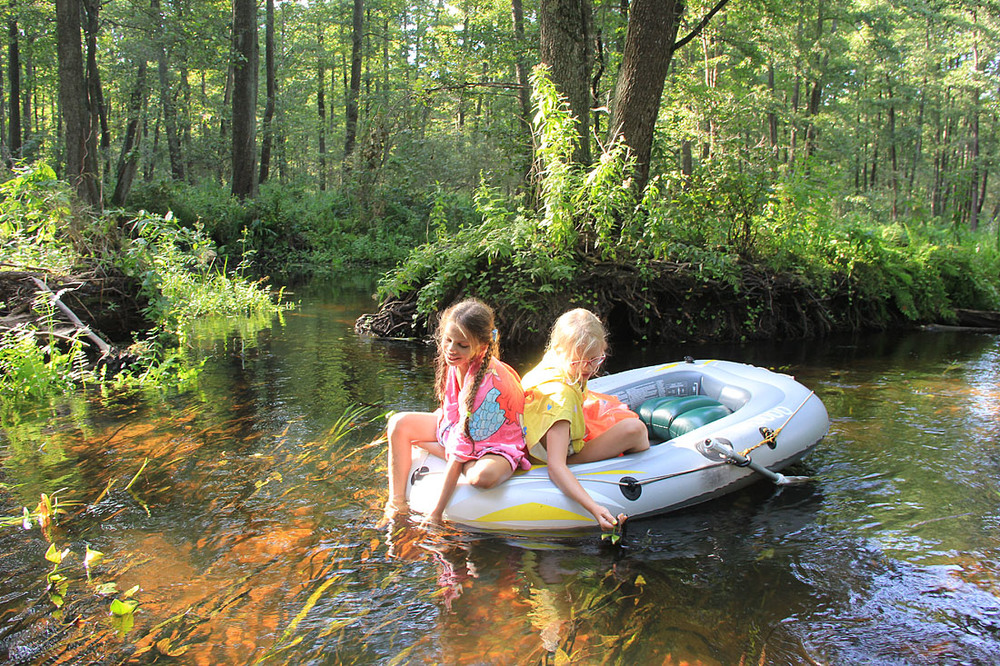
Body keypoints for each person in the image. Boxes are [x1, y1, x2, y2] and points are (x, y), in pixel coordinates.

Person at [385, 298, 529, 522]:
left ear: (481, 346)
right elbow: (451, 411)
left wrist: (436, 514)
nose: (451, 350)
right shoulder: (455, 361)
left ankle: (447, 452)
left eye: (462, 345)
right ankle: (396, 502)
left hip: (497, 440)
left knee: (480, 477)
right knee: (398, 424)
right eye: (448, 340)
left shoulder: (486, 382)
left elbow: (461, 446)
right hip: (461, 427)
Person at [522, 308, 649, 530]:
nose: (587, 368)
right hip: (555, 455)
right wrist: (594, 508)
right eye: (579, 362)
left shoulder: (555, 359)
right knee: (635, 430)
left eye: (594, 360)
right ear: (561, 351)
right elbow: (556, 466)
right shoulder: (559, 397)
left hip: (542, 435)